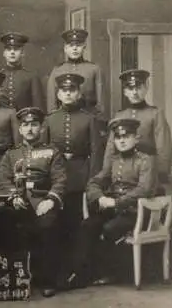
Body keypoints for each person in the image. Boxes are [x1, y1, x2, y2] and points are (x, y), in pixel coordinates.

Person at [59, 118, 158, 290]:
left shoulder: (145, 160)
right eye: (118, 137)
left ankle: (110, 272)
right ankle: (81, 273)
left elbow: (145, 189)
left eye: (126, 136)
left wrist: (117, 202)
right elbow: (94, 182)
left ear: (136, 138)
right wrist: (99, 198)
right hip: (114, 209)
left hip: (137, 211)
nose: (122, 140)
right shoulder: (113, 160)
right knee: (88, 225)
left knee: (109, 229)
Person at [0, 107, 66, 298]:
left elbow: (60, 180)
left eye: (34, 124)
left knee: (49, 225)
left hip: (42, 201)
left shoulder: (52, 152)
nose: (30, 129)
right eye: (26, 125)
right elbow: (2, 179)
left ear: (41, 128)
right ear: (20, 129)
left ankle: (48, 280)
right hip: (18, 201)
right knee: (1, 216)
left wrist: (51, 199)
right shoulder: (11, 154)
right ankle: (9, 276)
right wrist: (13, 196)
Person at [43, 73, 103, 241]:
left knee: (78, 223)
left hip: (80, 176)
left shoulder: (89, 119)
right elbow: (42, 152)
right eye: (64, 90)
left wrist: (92, 180)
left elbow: (96, 152)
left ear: (79, 94)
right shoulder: (50, 120)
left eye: (72, 90)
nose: (68, 93)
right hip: (55, 177)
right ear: (58, 94)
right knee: (55, 223)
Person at [104, 69, 172, 187]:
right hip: (124, 172)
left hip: (148, 172)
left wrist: (162, 173)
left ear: (146, 88)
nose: (135, 92)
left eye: (138, 88)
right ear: (125, 91)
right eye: (130, 89)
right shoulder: (120, 115)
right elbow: (111, 147)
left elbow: (163, 147)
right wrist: (106, 172)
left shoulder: (155, 114)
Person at [46, 29, 103, 114]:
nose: (75, 48)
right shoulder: (57, 70)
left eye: (78, 45)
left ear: (84, 47)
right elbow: (52, 104)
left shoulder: (94, 69)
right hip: (63, 117)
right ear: (65, 48)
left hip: (88, 116)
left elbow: (101, 103)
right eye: (71, 45)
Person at [0, 32, 45, 111]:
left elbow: (38, 108)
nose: (12, 52)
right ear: (4, 53)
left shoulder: (31, 77)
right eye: (9, 49)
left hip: (24, 122)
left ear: (22, 53)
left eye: (16, 49)